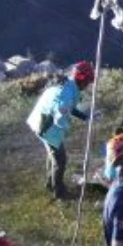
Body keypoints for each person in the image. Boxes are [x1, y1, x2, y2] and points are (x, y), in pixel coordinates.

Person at [26, 60, 95, 200]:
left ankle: (50, 184)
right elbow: (62, 109)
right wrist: (63, 124)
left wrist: (85, 117)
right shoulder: (67, 93)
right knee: (60, 160)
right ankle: (59, 192)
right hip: (46, 126)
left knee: (53, 156)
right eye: (88, 82)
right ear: (82, 80)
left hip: (38, 120)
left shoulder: (68, 84)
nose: (88, 85)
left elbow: (69, 108)